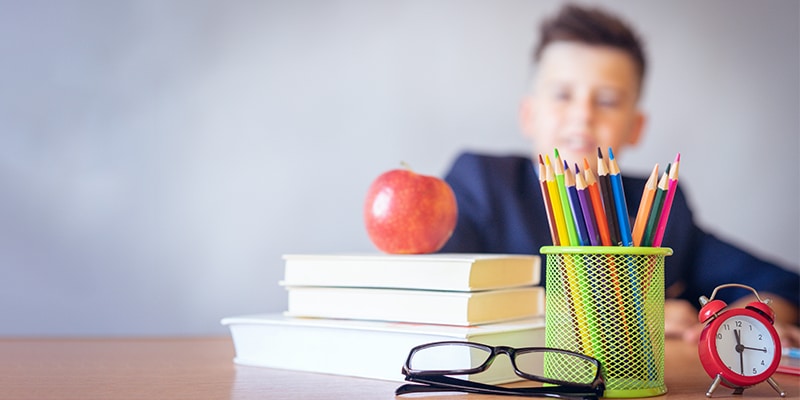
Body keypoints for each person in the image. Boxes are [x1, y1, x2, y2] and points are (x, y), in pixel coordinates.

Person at [439, 3, 800, 346]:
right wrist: (630, 317)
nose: (583, 114)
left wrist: (750, 318)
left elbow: (781, 284)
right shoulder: (482, 182)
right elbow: (437, 292)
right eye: (563, 94)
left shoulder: (659, 206)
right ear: (528, 114)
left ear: (636, 127)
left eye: (608, 101)